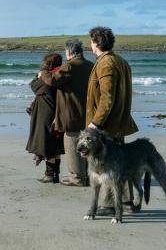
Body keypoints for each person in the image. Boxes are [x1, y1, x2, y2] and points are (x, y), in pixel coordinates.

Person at [86, 26, 138, 214]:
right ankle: (126, 201)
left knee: (108, 165)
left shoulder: (106, 63)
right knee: (119, 163)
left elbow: (107, 98)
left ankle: (110, 205)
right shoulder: (120, 61)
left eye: (91, 41)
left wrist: (95, 123)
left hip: (107, 126)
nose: (90, 44)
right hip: (118, 122)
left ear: (97, 43)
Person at [38, 38, 94, 187]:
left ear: (70, 52)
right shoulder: (90, 65)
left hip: (72, 111)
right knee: (86, 144)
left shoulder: (70, 66)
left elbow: (52, 80)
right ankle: (86, 176)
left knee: (72, 142)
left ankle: (77, 178)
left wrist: (44, 71)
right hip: (88, 112)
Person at [26, 53, 64, 183]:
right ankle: (55, 174)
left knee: (48, 144)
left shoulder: (46, 78)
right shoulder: (60, 76)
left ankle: (49, 175)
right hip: (56, 112)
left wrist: (38, 76)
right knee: (56, 145)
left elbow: (34, 86)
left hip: (46, 113)